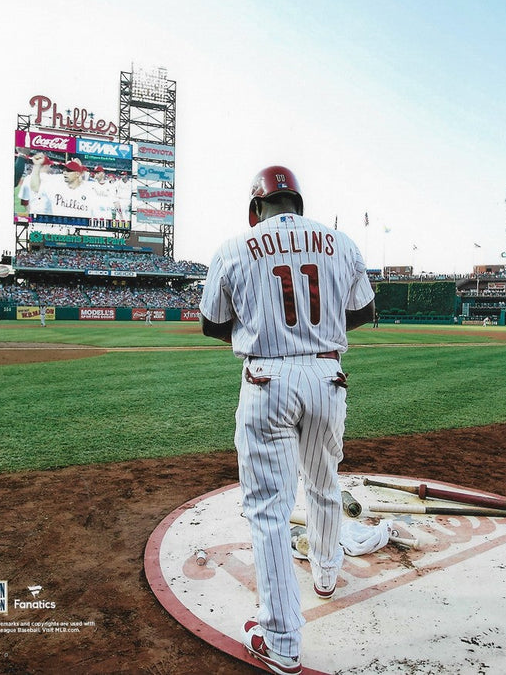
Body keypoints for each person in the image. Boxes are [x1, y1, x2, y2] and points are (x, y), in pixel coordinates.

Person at [199, 165, 375, 675]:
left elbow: (212, 325)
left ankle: (281, 639)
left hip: (266, 382)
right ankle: (326, 573)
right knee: (323, 483)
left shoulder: (235, 246)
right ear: (297, 204)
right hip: (327, 377)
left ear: (257, 209)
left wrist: (266, 320)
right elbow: (362, 313)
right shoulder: (340, 241)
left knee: (269, 511)